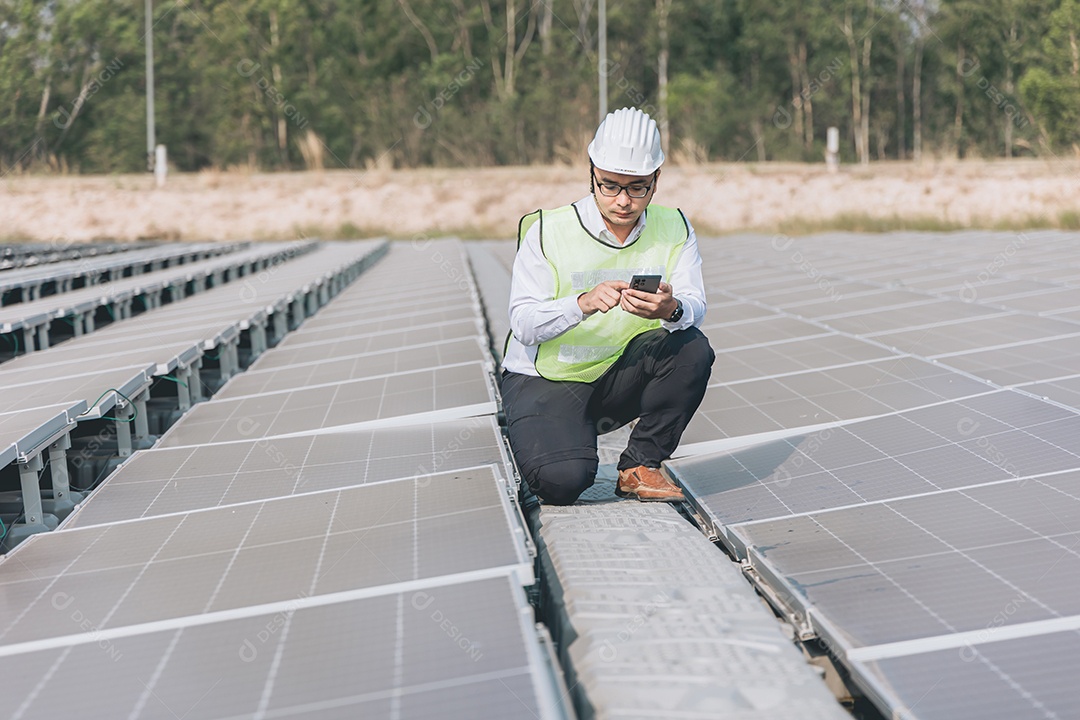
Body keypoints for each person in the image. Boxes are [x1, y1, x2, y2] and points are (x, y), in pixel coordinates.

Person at [501, 107, 714, 506]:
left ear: (656, 181)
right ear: (592, 173)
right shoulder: (548, 229)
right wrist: (580, 304)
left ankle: (640, 465)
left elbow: (695, 304)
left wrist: (670, 309)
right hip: (547, 379)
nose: (622, 201)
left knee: (692, 346)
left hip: (617, 378)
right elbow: (524, 324)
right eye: (610, 186)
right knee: (562, 483)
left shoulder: (675, 226)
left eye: (637, 188)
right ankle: (540, 434)